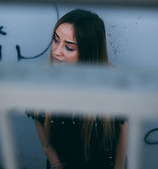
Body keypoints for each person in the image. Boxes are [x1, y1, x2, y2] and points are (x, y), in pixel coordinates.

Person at [27, 9, 128, 169]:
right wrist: (55, 163)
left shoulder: (111, 79)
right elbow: (40, 122)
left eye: (69, 47)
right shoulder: (43, 79)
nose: (57, 51)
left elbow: (123, 129)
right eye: (55, 40)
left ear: (88, 51)